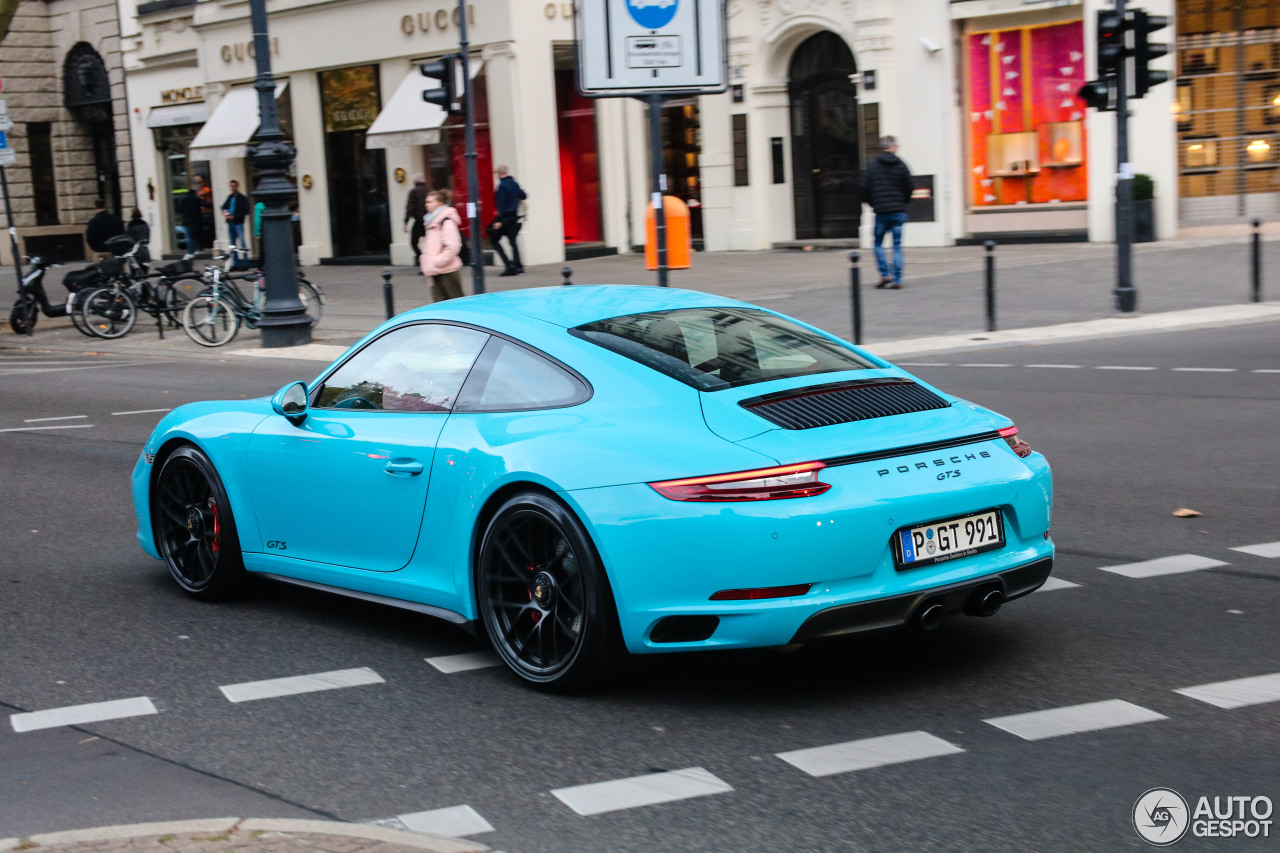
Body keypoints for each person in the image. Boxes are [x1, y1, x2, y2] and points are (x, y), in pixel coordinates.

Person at [860, 135, 914, 290]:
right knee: (897, 245)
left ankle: (885, 275)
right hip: (898, 211)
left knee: (878, 243)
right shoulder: (901, 165)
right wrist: (902, 202)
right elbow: (909, 186)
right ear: (893, 147)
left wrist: (873, 204)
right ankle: (897, 279)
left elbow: (864, 188)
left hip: (881, 212)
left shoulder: (872, 165)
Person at [420, 188, 464, 302]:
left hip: (447, 270)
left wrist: (437, 261)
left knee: (455, 306)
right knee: (439, 307)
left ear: (439, 204)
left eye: (430, 202)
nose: (426, 205)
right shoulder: (431, 221)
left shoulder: (446, 221)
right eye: (426, 202)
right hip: (436, 270)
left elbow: (453, 246)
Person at [489, 165, 526, 276]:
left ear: (499, 173)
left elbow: (501, 205)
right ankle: (518, 265)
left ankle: (509, 265)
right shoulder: (514, 183)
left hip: (505, 218)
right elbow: (523, 195)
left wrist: (499, 220)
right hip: (514, 217)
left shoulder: (501, 186)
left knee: (493, 238)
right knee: (513, 241)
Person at [402, 173, 429, 273]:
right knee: (429, 243)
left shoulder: (413, 192)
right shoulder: (430, 190)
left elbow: (410, 207)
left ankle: (422, 260)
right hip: (430, 222)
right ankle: (428, 262)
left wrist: (406, 222)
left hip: (419, 221)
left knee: (414, 243)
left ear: (414, 182)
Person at [178, 178, 209, 254]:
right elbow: (204, 205)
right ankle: (198, 249)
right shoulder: (196, 198)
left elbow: (179, 210)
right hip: (195, 221)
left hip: (186, 221)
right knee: (196, 236)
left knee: (189, 237)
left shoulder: (183, 199)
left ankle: (190, 252)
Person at [220, 179, 250, 256]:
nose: (233, 188)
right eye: (231, 186)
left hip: (238, 222)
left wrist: (235, 216)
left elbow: (246, 211)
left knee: (242, 241)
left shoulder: (242, 198)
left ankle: (245, 262)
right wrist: (227, 215)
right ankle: (235, 262)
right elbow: (223, 207)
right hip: (231, 222)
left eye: (234, 186)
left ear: (237, 187)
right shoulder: (230, 197)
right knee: (232, 244)